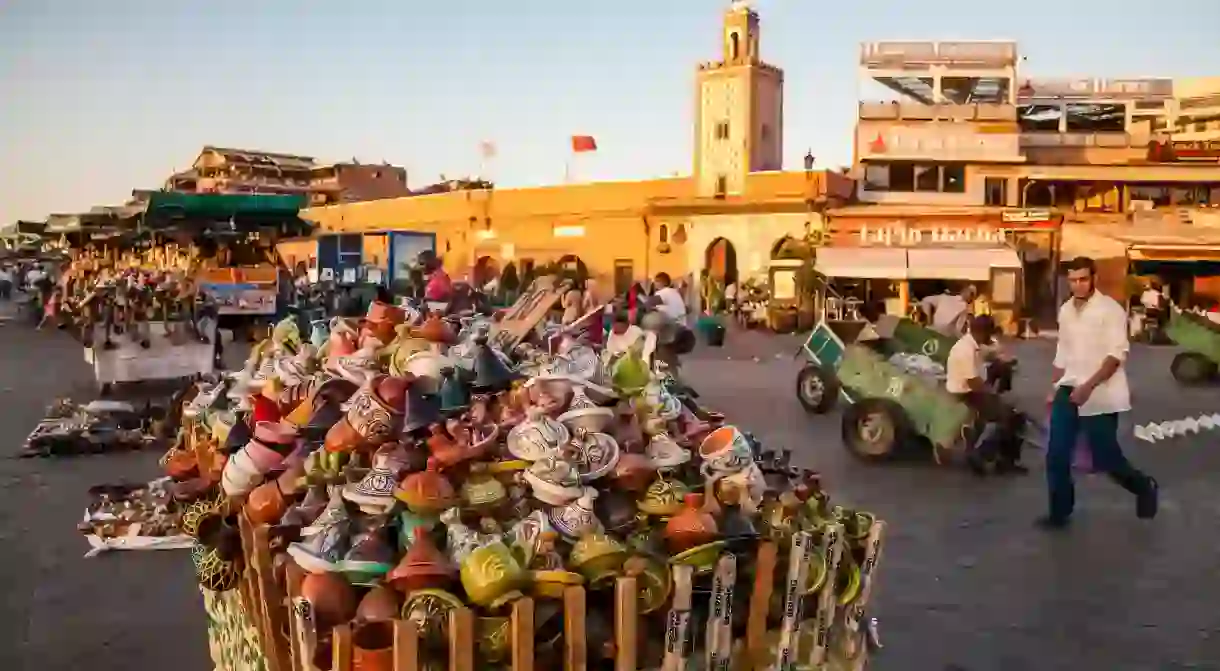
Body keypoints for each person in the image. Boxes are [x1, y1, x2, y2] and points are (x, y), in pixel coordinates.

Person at [1040, 256, 1158, 530]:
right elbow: (1063, 352)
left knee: (1106, 459)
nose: (1078, 285)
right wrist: (1053, 386)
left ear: (1094, 278)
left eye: (1083, 279)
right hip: (1068, 388)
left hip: (1101, 392)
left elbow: (1115, 356)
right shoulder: (1066, 310)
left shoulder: (1111, 310)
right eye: (1073, 280)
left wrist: (1088, 387)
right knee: (1056, 454)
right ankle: (1059, 513)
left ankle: (1143, 486)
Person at [945, 314, 1027, 474]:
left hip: (972, 389)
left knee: (1013, 415)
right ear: (983, 332)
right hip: (965, 393)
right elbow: (974, 383)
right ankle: (982, 454)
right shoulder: (965, 350)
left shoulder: (973, 344)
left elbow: (991, 352)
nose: (990, 337)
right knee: (1009, 417)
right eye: (989, 334)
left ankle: (1003, 459)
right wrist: (993, 395)